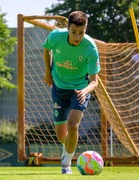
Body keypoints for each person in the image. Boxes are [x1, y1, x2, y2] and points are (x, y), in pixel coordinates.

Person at [42, 11, 100, 174]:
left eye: (81, 33)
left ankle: (66, 164)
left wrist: (85, 90)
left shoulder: (90, 48)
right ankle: (69, 147)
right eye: (74, 32)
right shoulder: (55, 37)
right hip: (59, 88)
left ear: (85, 30)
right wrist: (47, 71)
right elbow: (46, 49)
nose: (77, 37)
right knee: (61, 136)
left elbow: (95, 81)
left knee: (73, 125)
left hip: (79, 89)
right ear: (67, 28)